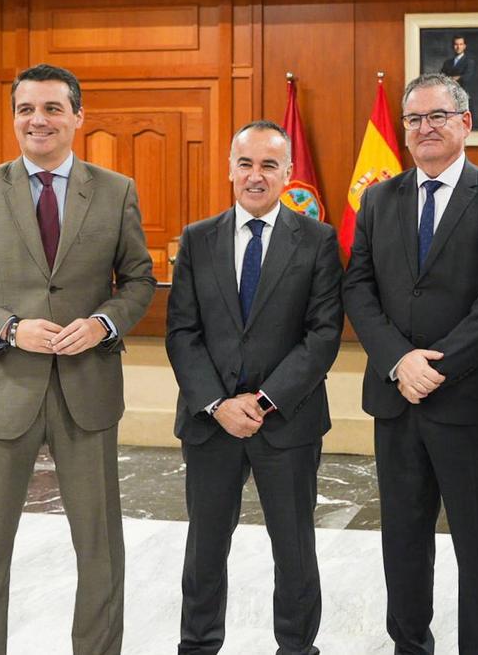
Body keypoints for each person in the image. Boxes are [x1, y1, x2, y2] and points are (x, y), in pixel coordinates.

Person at [0, 63, 156, 655]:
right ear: (14, 118)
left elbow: (137, 281)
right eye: (26, 109)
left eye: (53, 108)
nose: (38, 120)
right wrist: (7, 327)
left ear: (78, 117)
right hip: (3, 389)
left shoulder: (115, 190)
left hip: (88, 391)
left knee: (100, 548)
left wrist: (103, 323)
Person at [341, 73, 478, 654]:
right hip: (397, 400)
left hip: (469, 401)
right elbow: (358, 286)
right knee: (402, 539)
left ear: (465, 123)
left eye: (437, 117)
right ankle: (409, 645)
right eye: (414, 119)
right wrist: (399, 359)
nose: (424, 129)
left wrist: (437, 366)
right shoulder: (378, 198)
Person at [166, 120, 343, 655]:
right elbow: (182, 331)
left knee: (293, 549)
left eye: (269, 165)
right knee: (204, 549)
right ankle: (197, 645)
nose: (257, 175)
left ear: (288, 173)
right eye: (246, 163)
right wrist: (218, 404)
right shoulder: (198, 239)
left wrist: (264, 401)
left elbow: (323, 333)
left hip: (286, 422)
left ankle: (296, 647)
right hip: (210, 424)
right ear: (230, 170)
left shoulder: (317, 240)